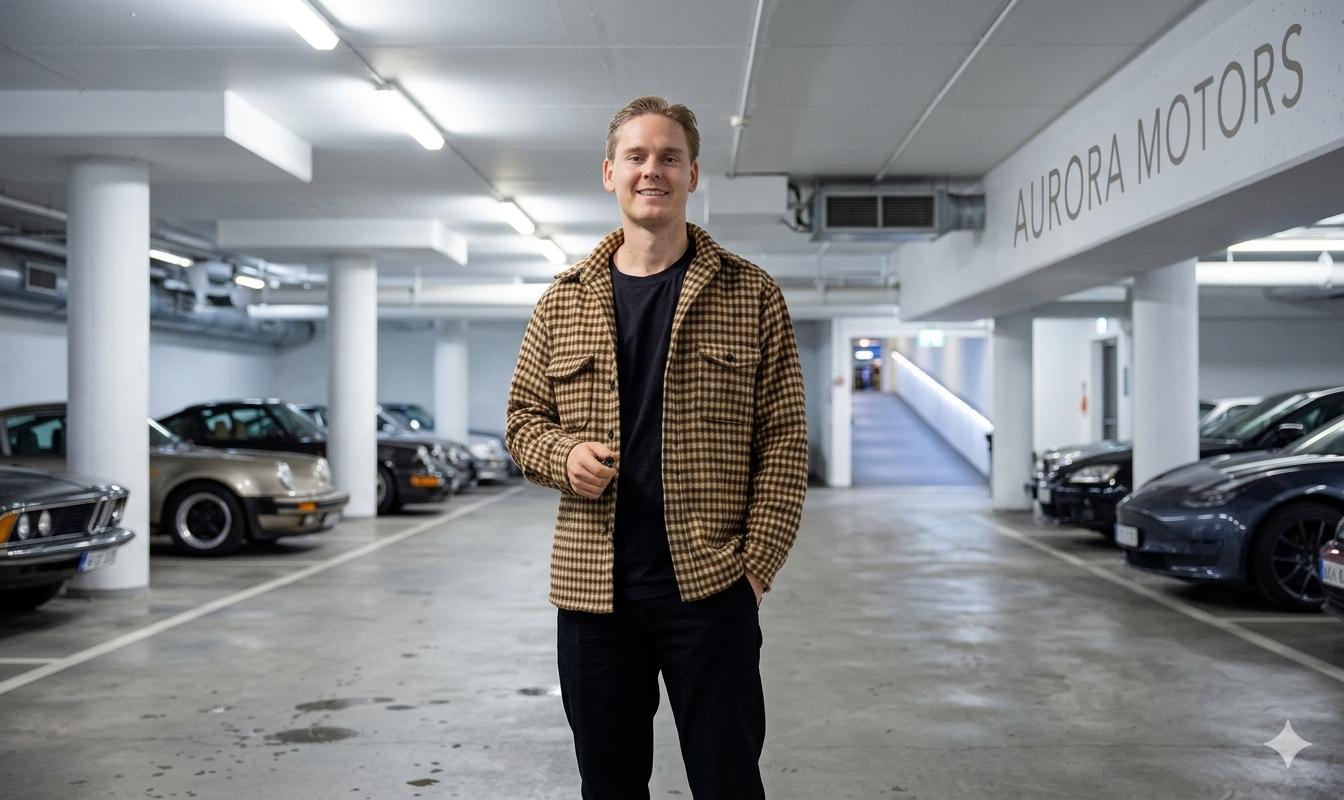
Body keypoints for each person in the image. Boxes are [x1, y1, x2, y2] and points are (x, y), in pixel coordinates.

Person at [506, 95, 808, 800]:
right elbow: (522, 420)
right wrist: (563, 456)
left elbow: (785, 442)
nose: (653, 170)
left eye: (669, 157)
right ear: (609, 172)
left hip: (711, 588)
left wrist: (754, 571)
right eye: (636, 156)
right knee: (608, 786)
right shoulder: (563, 300)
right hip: (593, 592)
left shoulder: (751, 295)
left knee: (728, 781)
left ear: (692, 175)